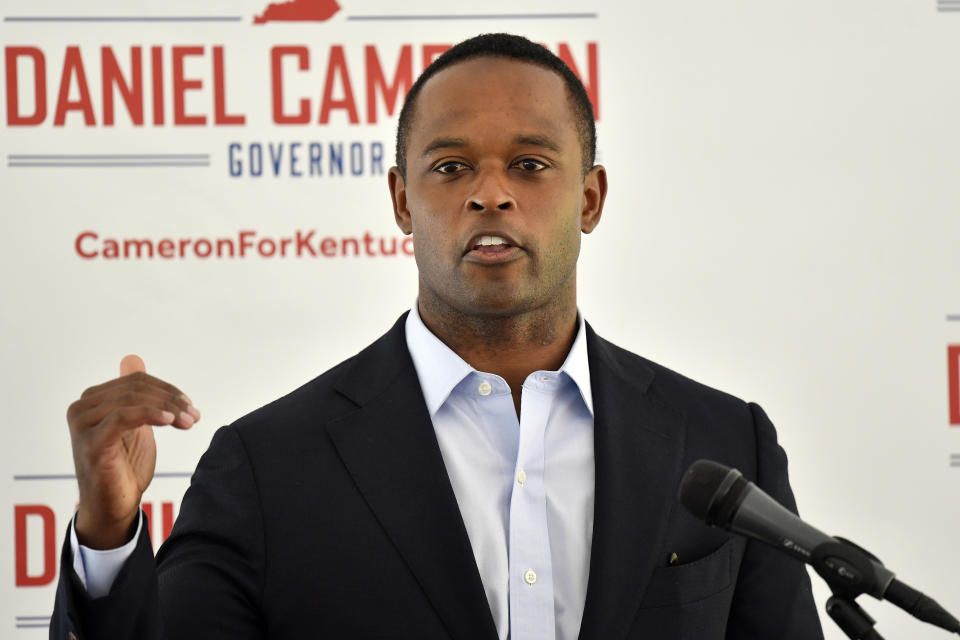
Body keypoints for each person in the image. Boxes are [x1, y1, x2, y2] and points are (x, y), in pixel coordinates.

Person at [52, 33, 824, 640]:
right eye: (451, 167)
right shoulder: (269, 464)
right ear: (400, 201)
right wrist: (110, 533)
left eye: (529, 164)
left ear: (590, 197)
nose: (491, 193)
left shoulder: (724, 443)